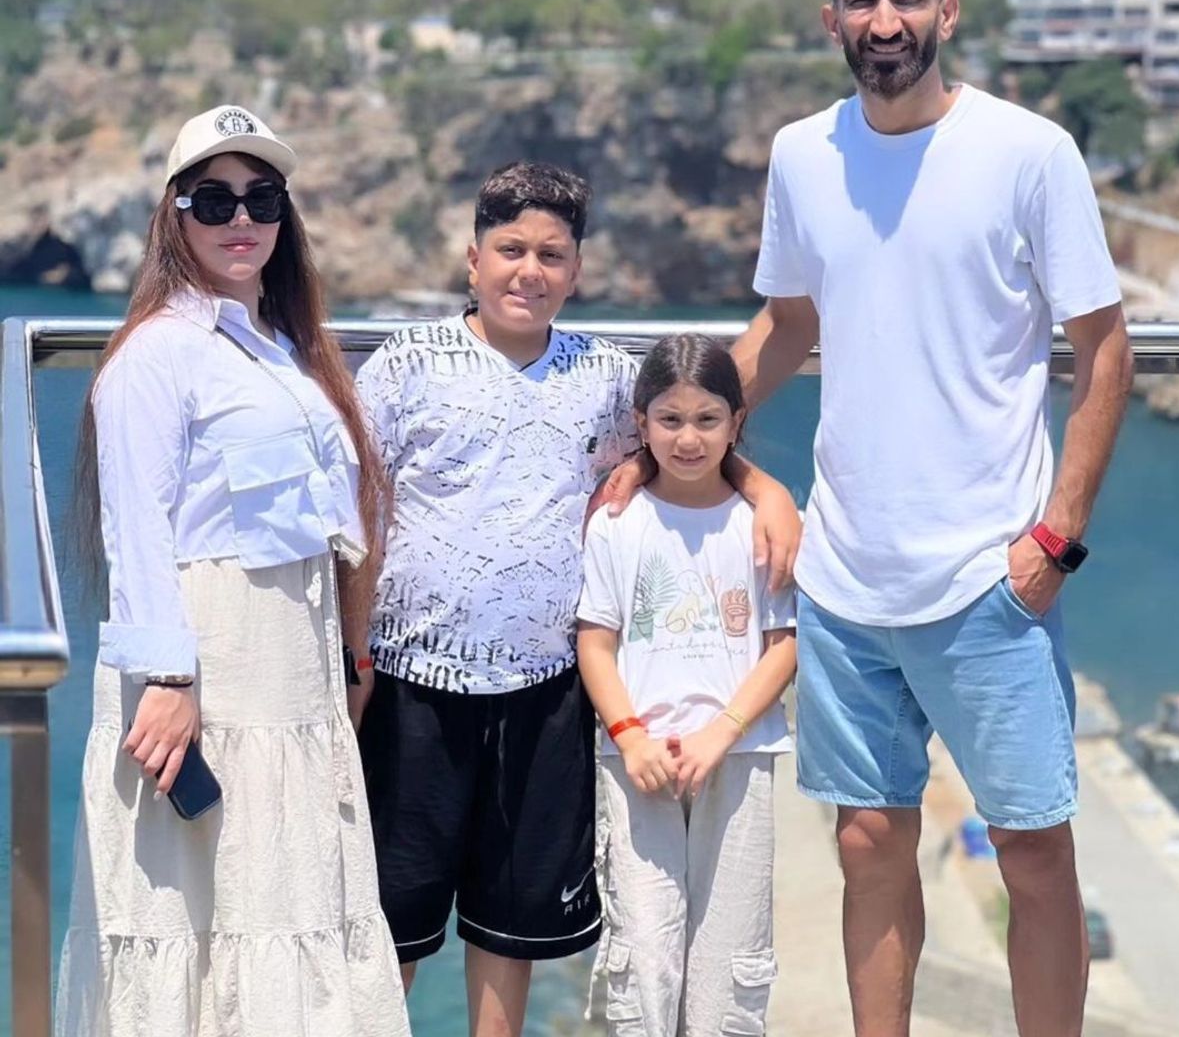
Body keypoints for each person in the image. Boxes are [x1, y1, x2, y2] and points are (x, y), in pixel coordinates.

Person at [733, 0, 1134, 1037]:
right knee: (867, 842)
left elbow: (1105, 349)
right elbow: (789, 323)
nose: (884, 20)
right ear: (832, 18)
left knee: (1034, 851)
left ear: (946, 12)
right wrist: (664, 439)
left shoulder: (1028, 152)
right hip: (844, 575)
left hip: (990, 577)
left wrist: (1054, 540)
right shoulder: (802, 154)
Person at [354, 162, 799, 1037]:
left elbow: (688, 442)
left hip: (546, 685)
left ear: (577, 270)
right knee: (388, 921)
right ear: (473, 258)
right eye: (511, 249)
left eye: (551, 255)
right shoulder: (405, 364)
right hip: (412, 680)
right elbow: (358, 512)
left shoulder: (602, 377)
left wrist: (766, 488)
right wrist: (354, 659)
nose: (530, 270)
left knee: (509, 922)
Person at [57, 104, 410, 1037]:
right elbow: (136, 526)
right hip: (209, 661)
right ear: (174, 215)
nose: (242, 219)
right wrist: (168, 680)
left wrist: (348, 654)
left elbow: (331, 527)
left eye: (263, 198)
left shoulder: (284, 349)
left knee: (284, 892)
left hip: (290, 668)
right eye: (213, 200)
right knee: (201, 905)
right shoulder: (157, 355)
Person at [577, 333, 798, 1037]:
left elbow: (784, 644)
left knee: (731, 953)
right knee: (645, 952)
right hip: (635, 763)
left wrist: (722, 732)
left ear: (737, 422)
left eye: (707, 419)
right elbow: (595, 641)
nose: (689, 437)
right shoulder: (618, 523)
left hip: (738, 755)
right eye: (669, 420)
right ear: (640, 425)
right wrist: (629, 735)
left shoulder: (762, 525)